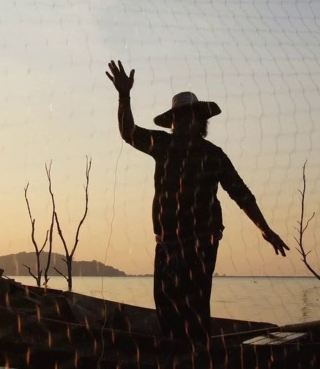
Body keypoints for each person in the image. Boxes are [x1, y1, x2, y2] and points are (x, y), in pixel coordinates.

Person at [106, 60, 289, 342]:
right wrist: (124, 95)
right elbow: (128, 132)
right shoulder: (163, 145)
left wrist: (265, 229)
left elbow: (241, 193)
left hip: (202, 243)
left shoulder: (213, 155)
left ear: (199, 122)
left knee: (195, 309)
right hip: (167, 243)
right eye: (179, 118)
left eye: (189, 117)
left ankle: (200, 363)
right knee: (166, 307)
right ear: (173, 123)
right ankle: (176, 362)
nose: (184, 122)